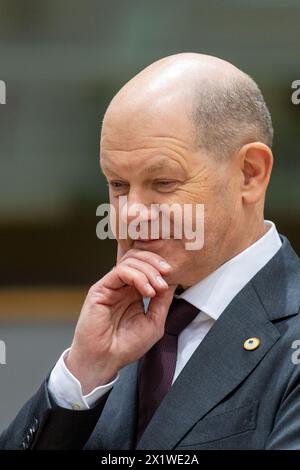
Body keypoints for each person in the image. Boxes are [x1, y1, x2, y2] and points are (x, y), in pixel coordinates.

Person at [1, 52, 300, 450]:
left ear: (250, 173)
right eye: (118, 185)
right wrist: (84, 374)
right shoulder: (117, 332)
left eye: (162, 182)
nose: (131, 215)